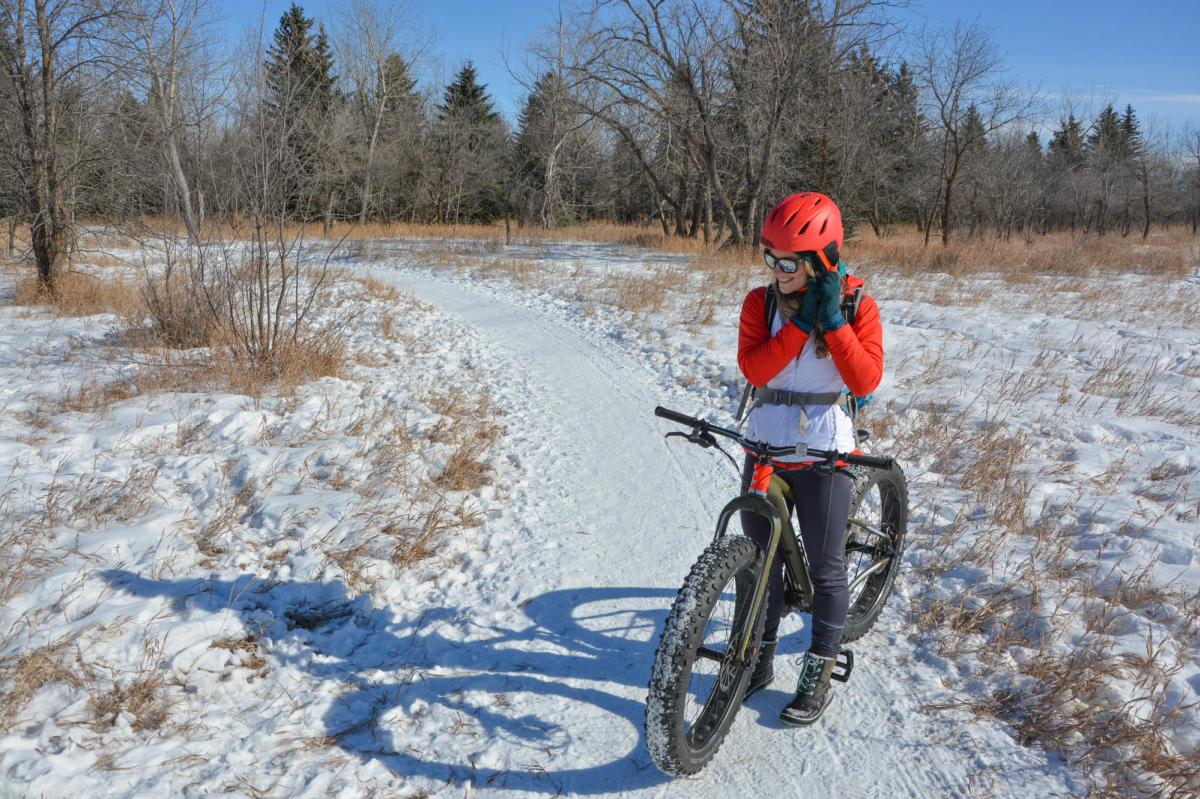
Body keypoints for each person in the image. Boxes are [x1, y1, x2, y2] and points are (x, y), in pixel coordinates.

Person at [736, 192, 884, 726]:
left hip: (825, 450)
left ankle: (818, 669)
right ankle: (757, 655)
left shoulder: (857, 306)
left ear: (822, 258)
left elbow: (865, 379)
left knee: (826, 568)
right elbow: (754, 370)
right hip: (765, 446)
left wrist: (834, 324)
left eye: (789, 262)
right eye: (770, 257)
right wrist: (800, 326)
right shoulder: (761, 304)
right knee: (760, 562)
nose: (776, 271)